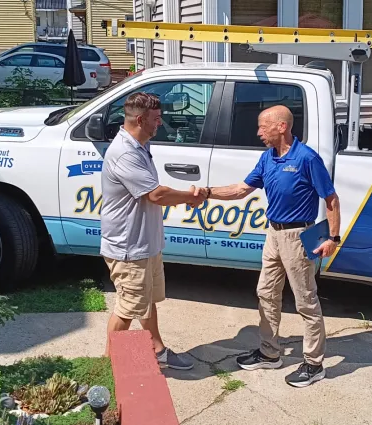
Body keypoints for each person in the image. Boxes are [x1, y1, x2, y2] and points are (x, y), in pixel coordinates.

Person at [196, 105, 341, 387]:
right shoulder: (268, 158)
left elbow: (331, 199)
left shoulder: (306, 158)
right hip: (273, 234)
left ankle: (314, 364)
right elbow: (242, 190)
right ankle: (269, 353)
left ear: (282, 127)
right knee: (266, 292)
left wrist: (332, 239)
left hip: (299, 236)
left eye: (264, 126)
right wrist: (207, 193)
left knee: (306, 301)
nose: (259, 132)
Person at [100, 92, 206, 370]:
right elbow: (156, 195)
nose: (161, 123)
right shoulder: (124, 152)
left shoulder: (140, 146)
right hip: (128, 248)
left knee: (145, 301)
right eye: (156, 119)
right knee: (126, 309)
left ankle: (157, 350)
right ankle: (107, 368)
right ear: (139, 119)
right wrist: (191, 196)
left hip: (144, 244)